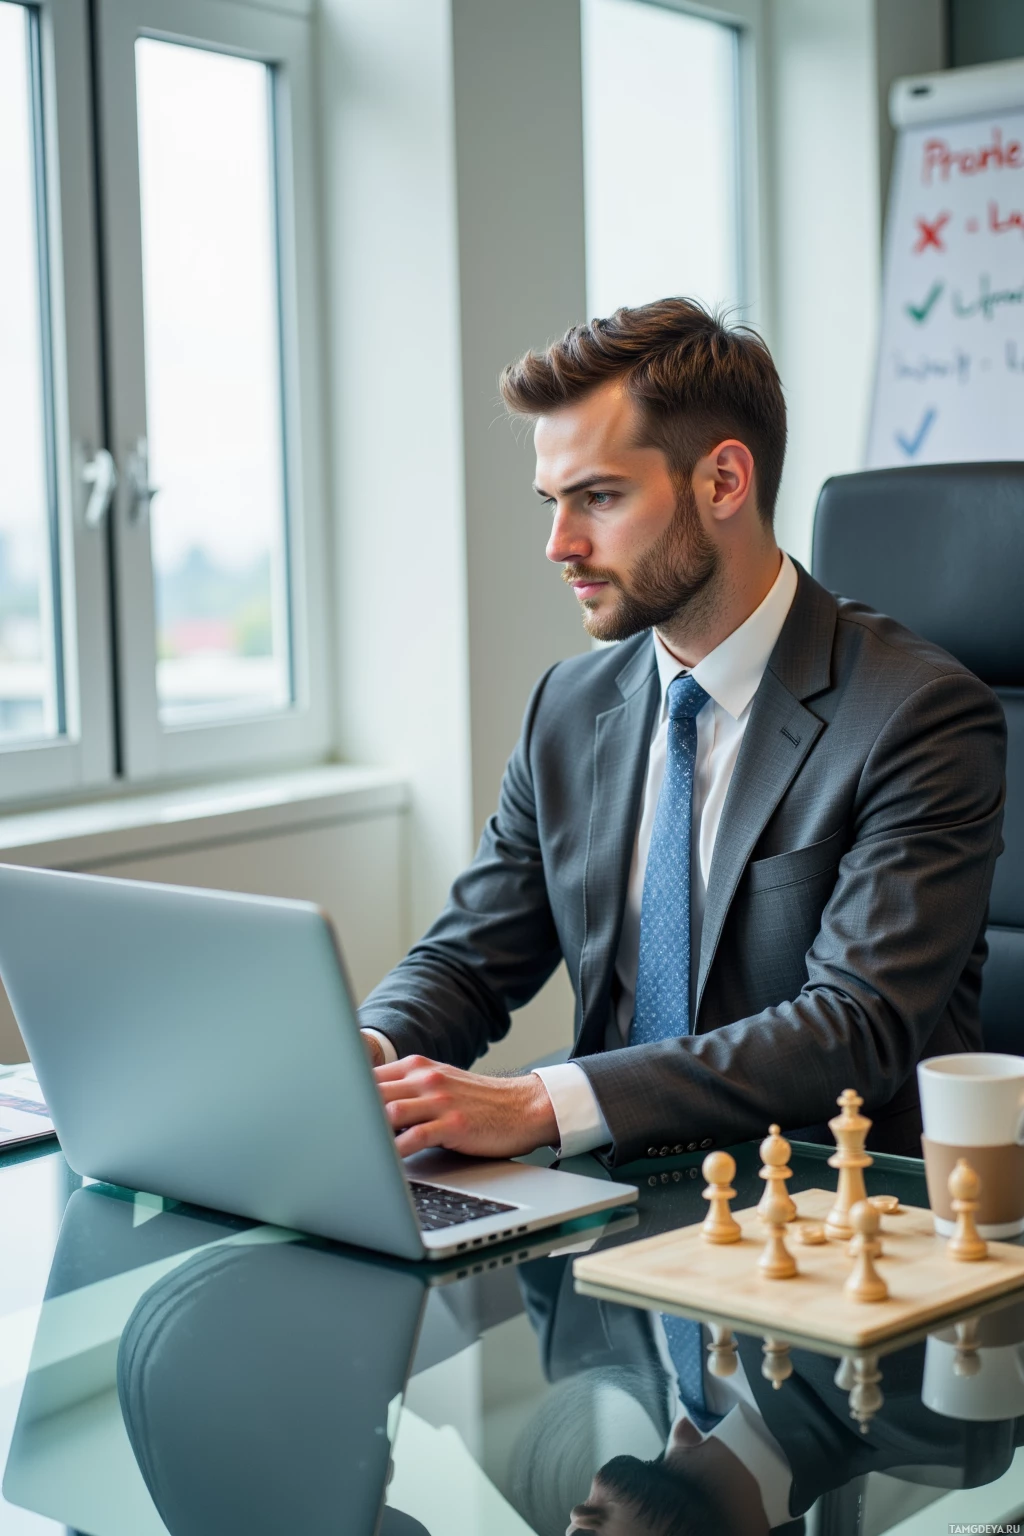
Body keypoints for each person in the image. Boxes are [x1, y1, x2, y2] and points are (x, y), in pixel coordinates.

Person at [358, 298, 1006, 1166]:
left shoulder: (917, 714)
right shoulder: (569, 707)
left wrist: (542, 1102)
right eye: (552, 502)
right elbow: (470, 960)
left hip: (824, 1207)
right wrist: (369, 1053)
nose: (558, 544)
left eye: (599, 497)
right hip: (613, 1197)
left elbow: (855, 1026)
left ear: (724, 481)